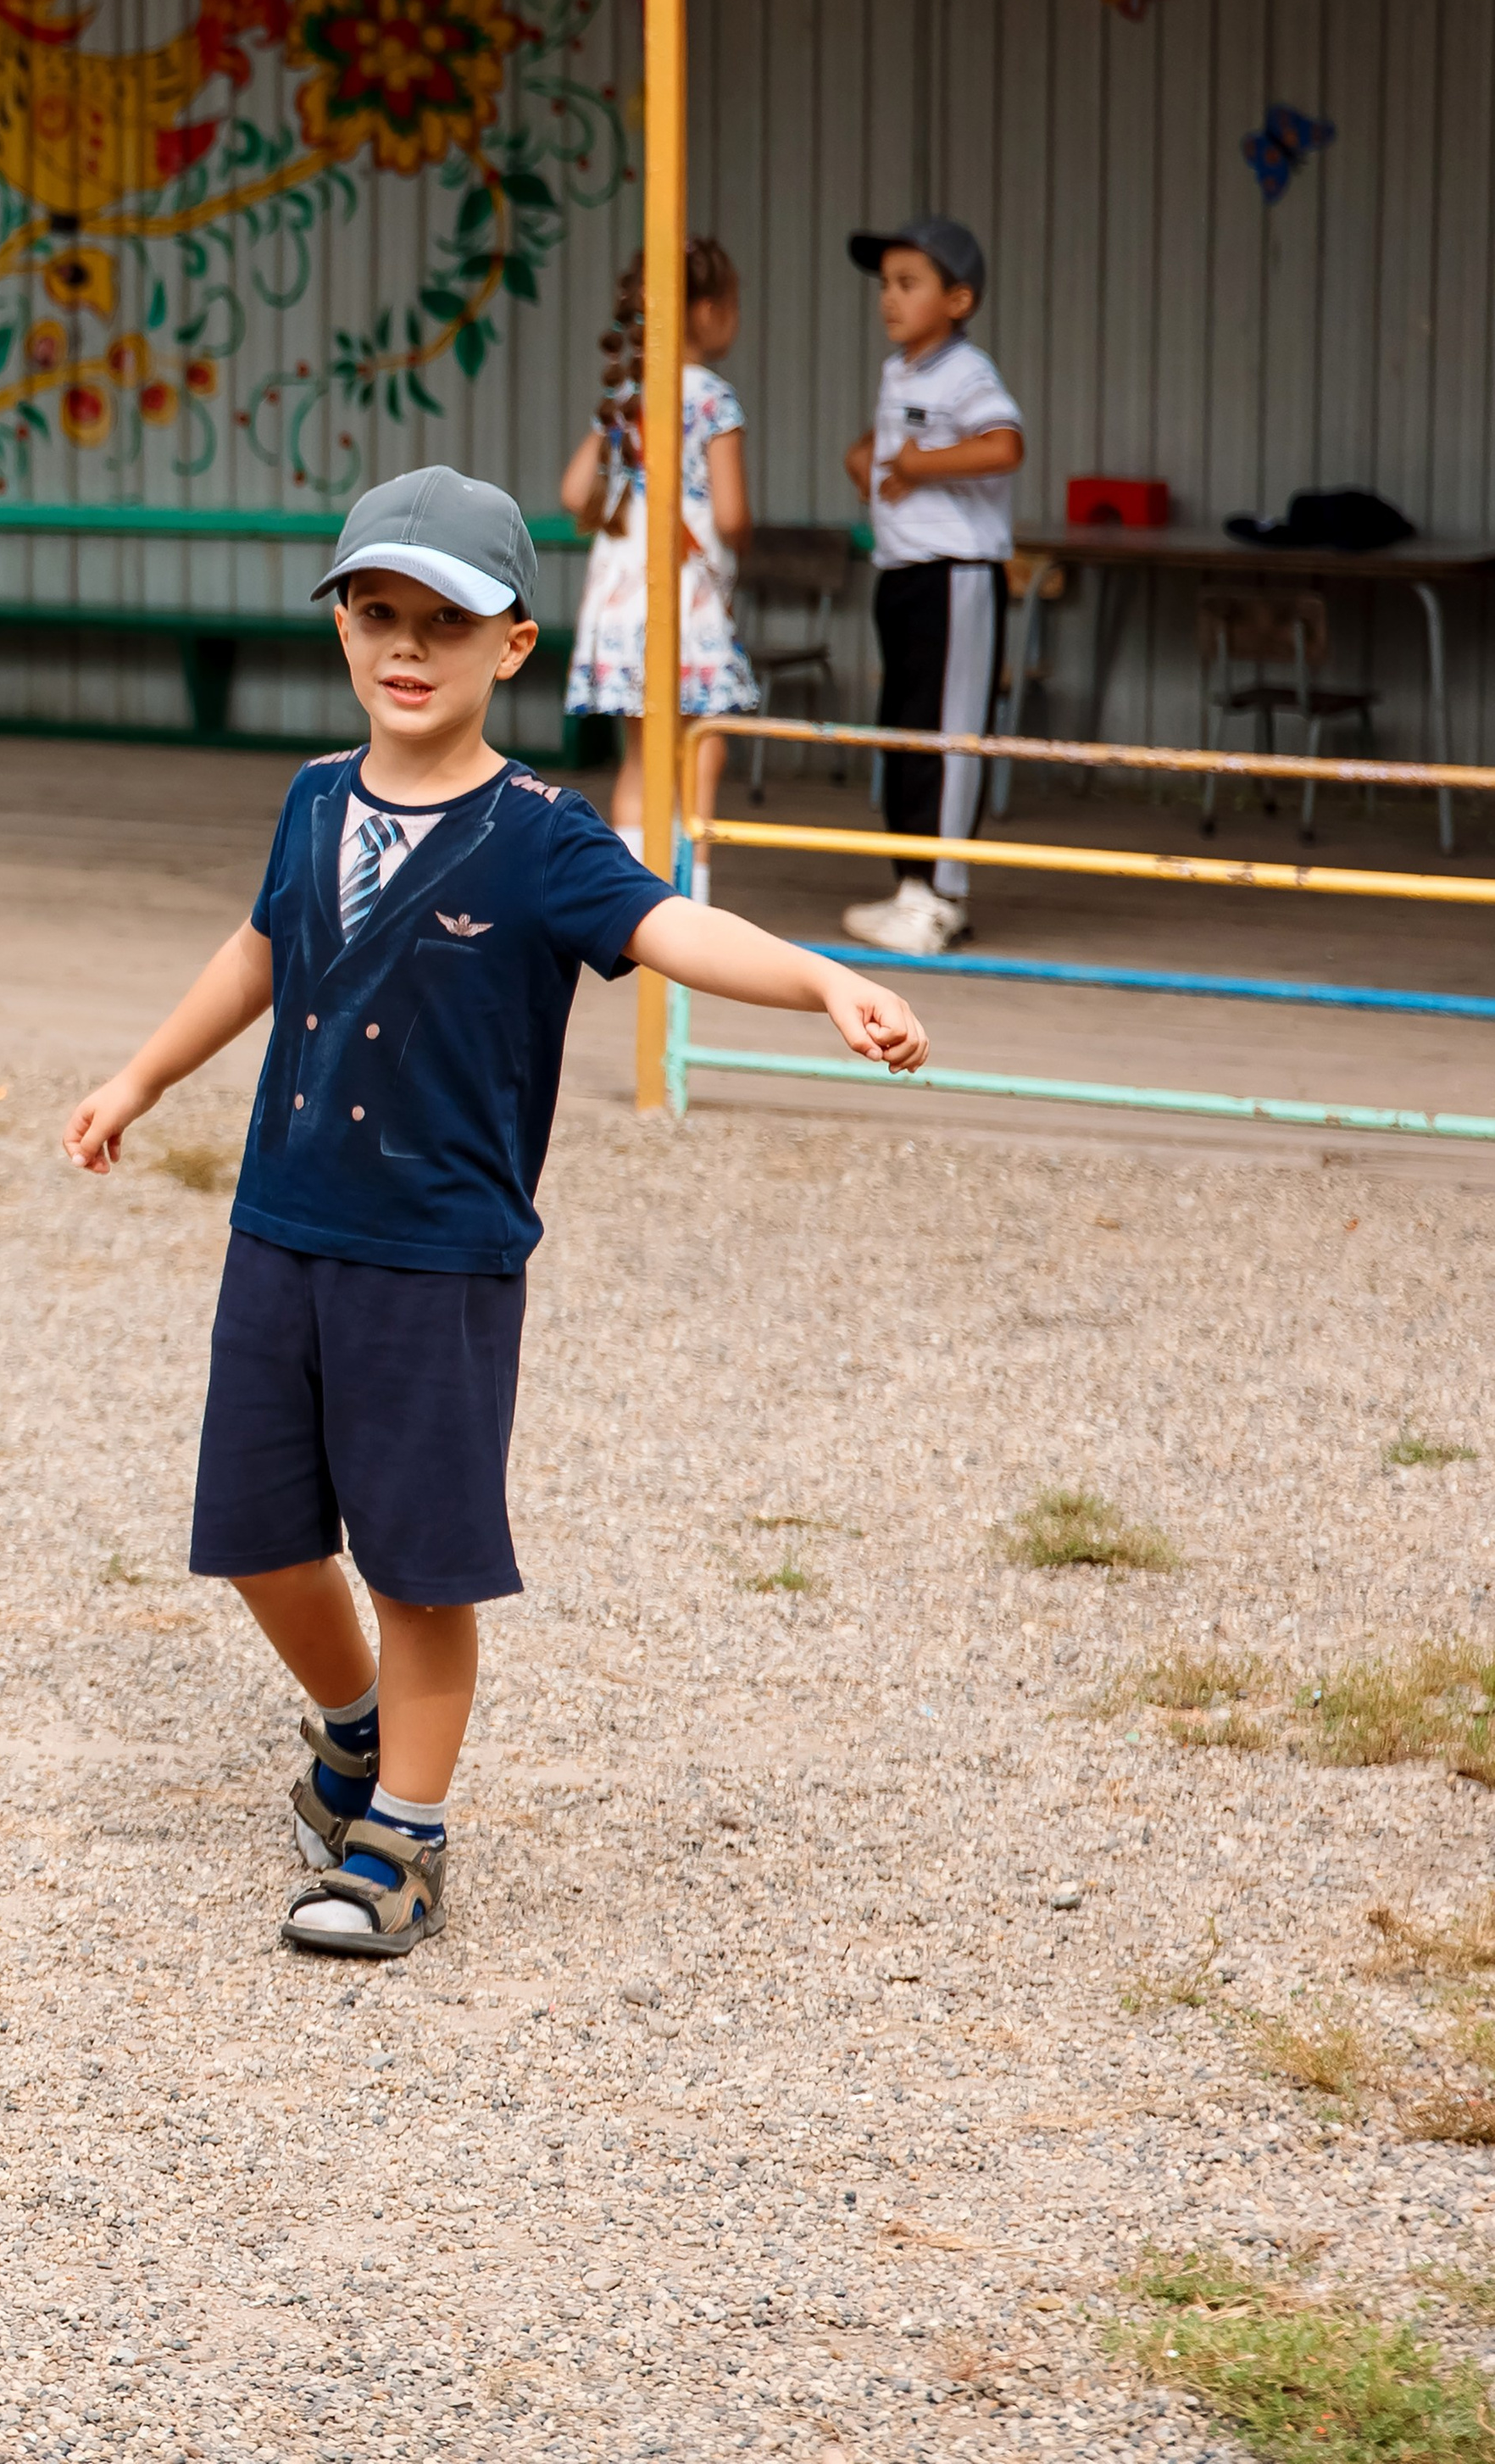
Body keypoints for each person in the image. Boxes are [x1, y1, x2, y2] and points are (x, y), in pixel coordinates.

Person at [62, 466, 926, 1959]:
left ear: (514, 644)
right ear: (341, 626)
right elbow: (261, 951)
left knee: (419, 1564)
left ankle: (403, 1841)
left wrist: (822, 980)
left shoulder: (540, 835)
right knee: (258, 1538)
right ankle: (354, 1733)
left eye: (447, 622)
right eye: (376, 613)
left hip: (437, 1259)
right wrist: (139, 1076)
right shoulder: (312, 799)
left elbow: (673, 923)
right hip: (280, 1229)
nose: (407, 647)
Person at [840, 219, 1024, 957]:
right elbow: (890, 441)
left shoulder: (967, 371)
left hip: (957, 578)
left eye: (908, 283)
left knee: (948, 739)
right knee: (908, 735)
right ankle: (912, 887)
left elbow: (1004, 445)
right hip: (905, 575)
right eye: (885, 284)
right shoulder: (902, 371)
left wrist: (919, 466)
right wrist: (868, 458)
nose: (889, 297)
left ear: (958, 299)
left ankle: (944, 897)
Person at [559, 237, 759, 872]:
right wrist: (743, 544)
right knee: (703, 748)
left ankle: (633, 897)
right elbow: (731, 515)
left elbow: (573, 492)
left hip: (621, 599)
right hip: (681, 599)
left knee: (641, 761)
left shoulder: (628, 394)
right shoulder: (712, 398)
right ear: (707, 310)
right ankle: (690, 892)